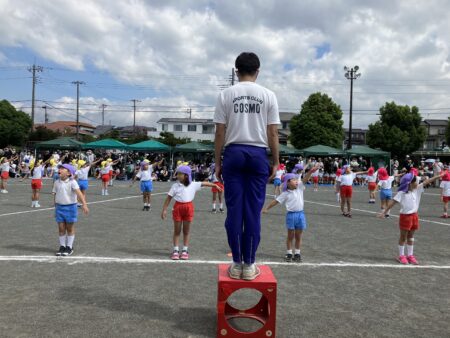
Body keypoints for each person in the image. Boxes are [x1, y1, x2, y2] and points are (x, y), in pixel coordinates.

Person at [214, 52, 280, 280]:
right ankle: (249, 264)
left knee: (234, 211)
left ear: (236, 71)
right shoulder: (268, 95)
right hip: (258, 153)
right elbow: (273, 132)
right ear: (258, 71)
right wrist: (277, 162)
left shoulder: (226, 94)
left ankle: (236, 263)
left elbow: (220, 131)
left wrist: (217, 162)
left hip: (233, 153)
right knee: (253, 212)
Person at [161, 165, 221, 260]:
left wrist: (215, 185)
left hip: (188, 208)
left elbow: (204, 183)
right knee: (177, 231)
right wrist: (164, 210)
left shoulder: (193, 184)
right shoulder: (175, 186)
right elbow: (168, 198)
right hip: (178, 208)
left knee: (186, 231)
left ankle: (185, 250)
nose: (177, 175)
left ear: (186, 175)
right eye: (178, 174)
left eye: (180, 174)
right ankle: (176, 250)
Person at [379, 173, 441, 264]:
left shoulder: (417, 189)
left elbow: (427, 181)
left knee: (411, 236)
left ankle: (410, 255)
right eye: (416, 181)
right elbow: (393, 202)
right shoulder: (402, 193)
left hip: (414, 216)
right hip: (405, 217)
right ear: (409, 183)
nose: (418, 182)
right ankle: (401, 255)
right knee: (403, 237)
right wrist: (384, 212)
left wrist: (437, 176)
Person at [262, 165, 319, 262]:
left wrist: (311, 171)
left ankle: (297, 253)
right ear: (288, 182)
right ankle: (289, 253)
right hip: (291, 215)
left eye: (296, 180)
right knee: (290, 236)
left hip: (300, 215)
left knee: (298, 236)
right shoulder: (285, 193)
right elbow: (276, 201)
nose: (297, 181)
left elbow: (305, 179)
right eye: (294, 180)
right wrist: (266, 208)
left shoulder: (299, 188)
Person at [52, 164, 89, 256]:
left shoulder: (73, 182)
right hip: (59, 207)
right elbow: (55, 194)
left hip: (70, 207)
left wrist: (84, 204)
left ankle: (69, 247)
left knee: (69, 228)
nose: (59, 170)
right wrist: (55, 207)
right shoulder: (56, 182)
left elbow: (80, 194)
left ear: (69, 173)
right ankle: (62, 246)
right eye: (59, 168)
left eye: (62, 169)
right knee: (61, 228)